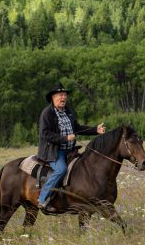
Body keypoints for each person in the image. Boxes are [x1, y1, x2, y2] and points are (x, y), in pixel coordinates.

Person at [37, 82, 105, 211]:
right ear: (53, 97)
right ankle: (42, 199)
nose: (63, 97)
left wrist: (96, 130)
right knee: (61, 170)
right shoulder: (47, 113)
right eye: (60, 95)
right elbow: (44, 134)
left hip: (70, 150)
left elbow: (77, 128)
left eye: (65, 95)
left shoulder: (67, 111)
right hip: (54, 152)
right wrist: (65, 138)